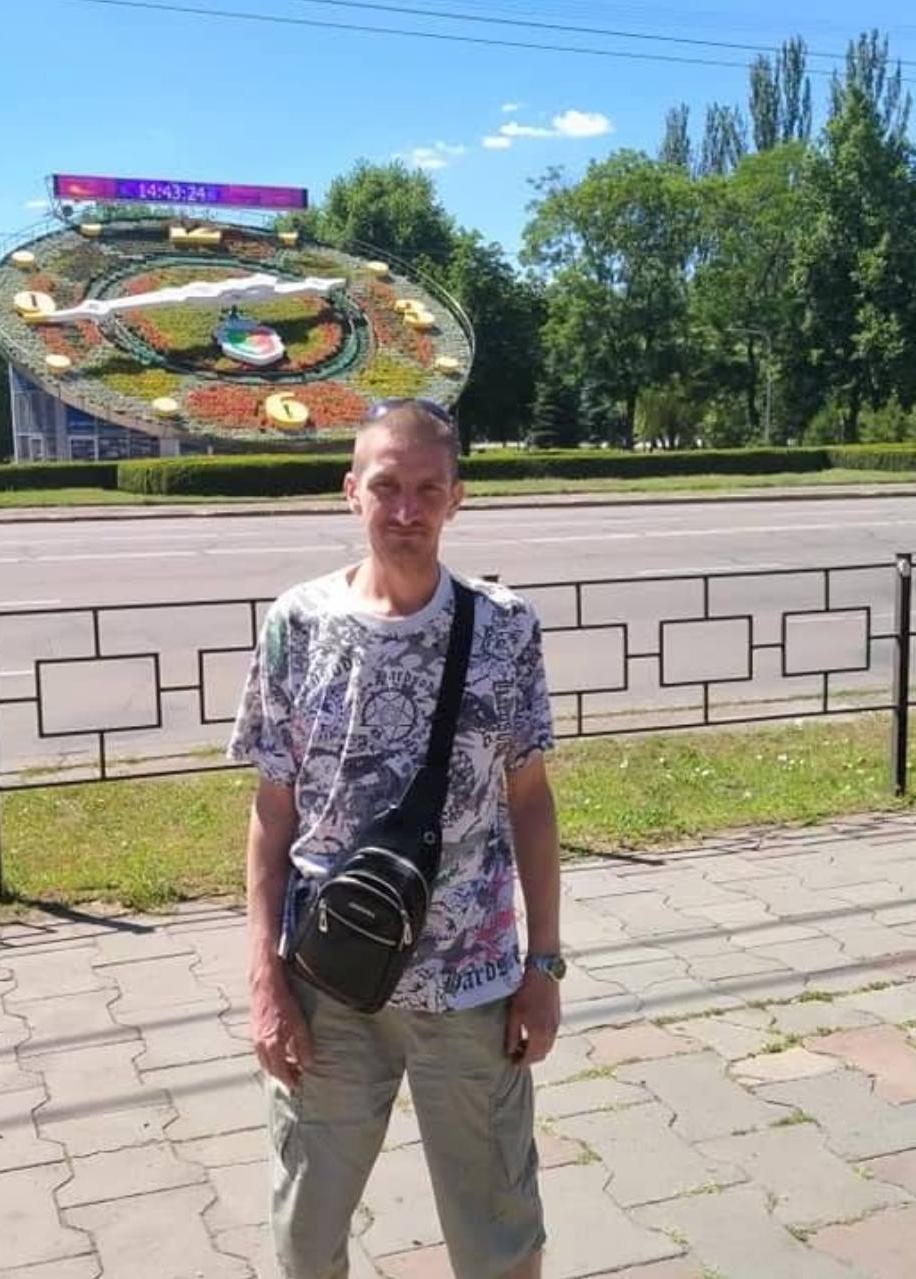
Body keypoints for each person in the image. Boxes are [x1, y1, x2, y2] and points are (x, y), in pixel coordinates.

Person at [227, 398, 564, 1279]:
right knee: (307, 1240)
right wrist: (265, 978)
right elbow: (272, 811)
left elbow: (530, 801)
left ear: (457, 497)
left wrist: (544, 966)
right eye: (386, 486)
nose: (406, 509)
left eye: (426, 488)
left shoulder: (504, 628)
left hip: (471, 987)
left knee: (499, 1240)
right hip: (327, 987)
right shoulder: (297, 624)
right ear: (351, 491)